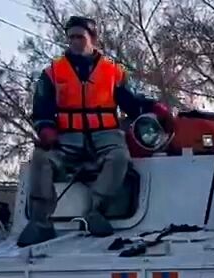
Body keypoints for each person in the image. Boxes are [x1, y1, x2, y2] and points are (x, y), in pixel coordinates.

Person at [16, 16, 175, 247]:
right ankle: (40, 222)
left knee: (119, 157)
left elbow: (131, 102)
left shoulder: (113, 72)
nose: (75, 42)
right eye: (71, 37)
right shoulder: (53, 72)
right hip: (67, 137)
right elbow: (41, 108)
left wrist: (154, 107)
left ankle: (95, 211)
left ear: (93, 38)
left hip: (105, 136)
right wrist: (46, 128)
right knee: (41, 158)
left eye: (80, 37)